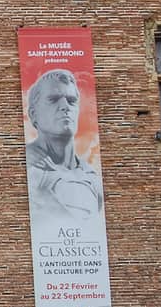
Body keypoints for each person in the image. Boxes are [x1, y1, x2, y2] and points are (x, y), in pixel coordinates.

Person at [24, 69, 104, 222]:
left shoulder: (92, 178)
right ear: (34, 114)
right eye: (53, 99)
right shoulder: (28, 169)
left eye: (71, 100)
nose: (65, 106)